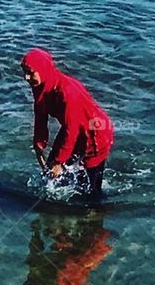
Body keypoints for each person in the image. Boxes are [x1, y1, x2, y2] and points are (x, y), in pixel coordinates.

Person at [20, 47, 114, 199]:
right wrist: (39, 144)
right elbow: (40, 112)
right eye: (24, 72)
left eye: (30, 72)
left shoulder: (67, 93)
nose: (26, 77)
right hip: (73, 128)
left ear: (43, 70)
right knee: (49, 172)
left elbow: (72, 131)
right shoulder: (42, 85)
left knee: (92, 190)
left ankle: (95, 213)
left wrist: (59, 162)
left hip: (95, 133)